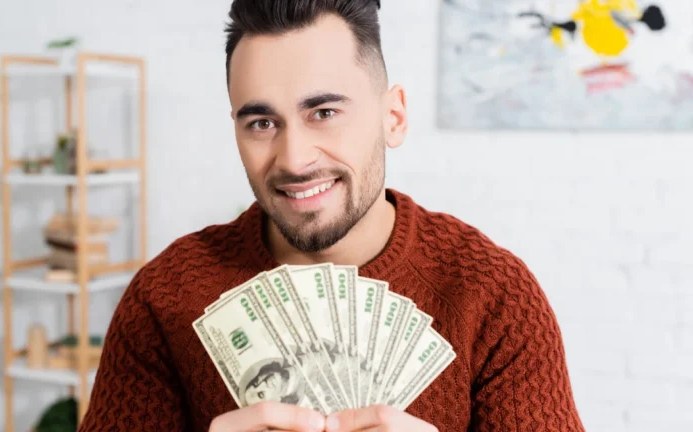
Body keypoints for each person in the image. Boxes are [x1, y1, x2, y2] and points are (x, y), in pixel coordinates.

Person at [78, 1, 586, 431]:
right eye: (261, 122)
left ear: (394, 117)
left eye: (324, 112)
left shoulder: (495, 295)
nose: (295, 159)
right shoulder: (165, 296)